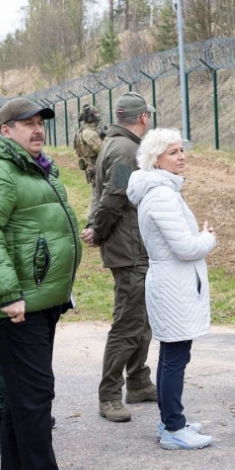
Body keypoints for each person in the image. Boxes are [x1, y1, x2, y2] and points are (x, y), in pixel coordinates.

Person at [0, 97, 96, 470]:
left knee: (25, 394)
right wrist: (8, 293)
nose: (36, 130)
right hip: (19, 302)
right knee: (36, 396)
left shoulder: (32, 166)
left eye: (39, 123)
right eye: (26, 124)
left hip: (41, 298)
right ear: (5, 131)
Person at [127, 129, 216, 451]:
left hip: (173, 282)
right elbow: (185, 247)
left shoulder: (163, 191)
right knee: (174, 357)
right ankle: (173, 427)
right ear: (156, 159)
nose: (182, 156)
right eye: (173, 152)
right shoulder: (162, 195)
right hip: (171, 285)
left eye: (181, 150)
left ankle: (172, 420)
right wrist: (208, 237)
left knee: (174, 354)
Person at [80, 92, 155, 422]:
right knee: (127, 322)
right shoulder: (125, 150)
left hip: (133, 246)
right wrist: (97, 230)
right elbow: (114, 196)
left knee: (142, 318)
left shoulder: (113, 144)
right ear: (142, 119)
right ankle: (109, 394)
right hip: (129, 248)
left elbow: (99, 192)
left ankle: (138, 381)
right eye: (148, 117)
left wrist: (94, 225)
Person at [71, 104, 104, 198]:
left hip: (93, 169)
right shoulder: (89, 133)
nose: (98, 115)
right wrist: (106, 138)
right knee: (99, 200)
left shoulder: (82, 131)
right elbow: (104, 150)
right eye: (96, 113)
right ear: (89, 117)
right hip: (97, 169)